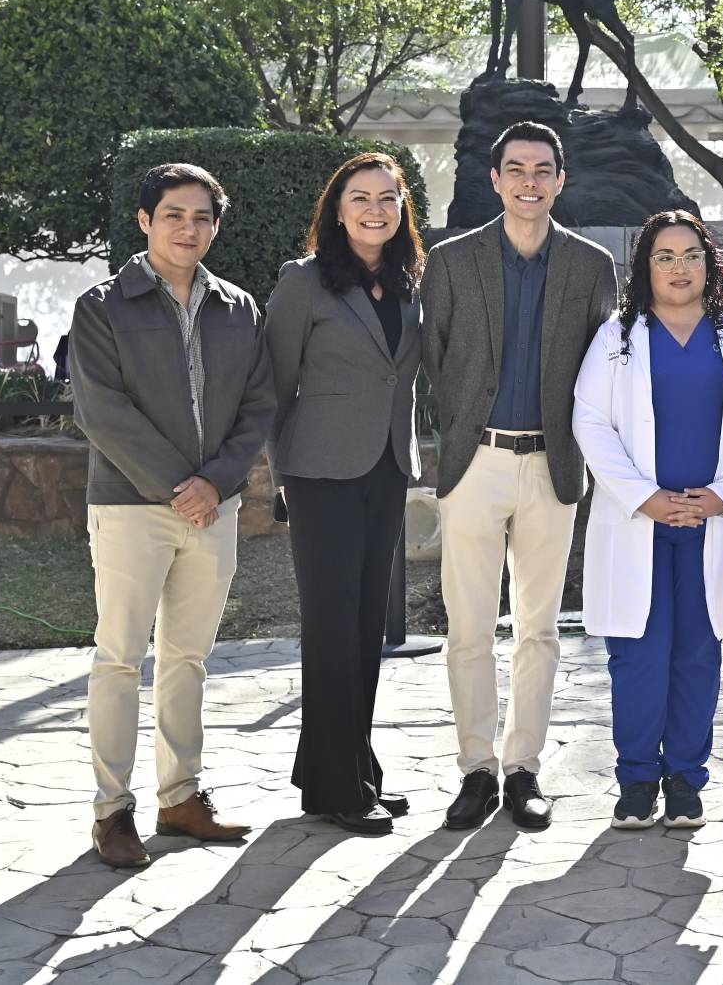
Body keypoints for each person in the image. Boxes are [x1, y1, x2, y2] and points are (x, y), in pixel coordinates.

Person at [68, 163, 275, 869]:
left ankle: (180, 797)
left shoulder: (239, 307)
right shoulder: (102, 305)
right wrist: (175, 486)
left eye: (202, 217)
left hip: (211, 510)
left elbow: (258, 406)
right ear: (144, 221)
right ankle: (112, 810)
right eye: (174, 215)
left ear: (217, 224)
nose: (189, 229)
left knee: (189, 656)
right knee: (120, 657)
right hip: (132, 507)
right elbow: (101, 410)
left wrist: (214, 484)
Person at [421, 120, 618, 833]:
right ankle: (475, 768)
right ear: (495, 179)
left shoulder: (593, 266)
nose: (529, 181)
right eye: (516, 169)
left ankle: (522, 769)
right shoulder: (450, 261)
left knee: (538, 628)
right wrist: (456, 438)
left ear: (560, 181)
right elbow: (434, 362)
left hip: (553, 465)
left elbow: (604, 367)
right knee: (468, 625)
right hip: (475, 463)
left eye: (543, 170)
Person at [572, 211, 723, 830]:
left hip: (709, 524)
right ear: (645, 267)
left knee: (697, 653)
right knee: (637, 653)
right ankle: (636, 782)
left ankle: (686, 780)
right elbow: (590, 421)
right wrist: (644, 498)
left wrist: (721, 495)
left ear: (709, 263)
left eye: (690, 255)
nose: (678, 268)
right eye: (664, 256)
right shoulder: (618, 336)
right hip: (641, 522)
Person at [266, 152, 425, 836]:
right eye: (360, 197)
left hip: (387, 464)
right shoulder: (303, 283)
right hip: (321, 473)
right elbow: (273, 382)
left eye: (388, 198)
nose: (375, 208)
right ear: (337, 208)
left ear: (401, 208)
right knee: (332, 627)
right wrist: (280, 477)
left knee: (364, 628)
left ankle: (346, 769)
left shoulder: (410, 280)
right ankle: (337, 787)